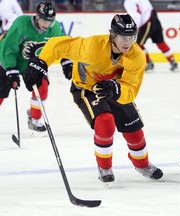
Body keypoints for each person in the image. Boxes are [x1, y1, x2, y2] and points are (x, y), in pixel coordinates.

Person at [22, 14, 163, 183]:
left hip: (114, 90)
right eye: (123, 37)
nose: (128, 42)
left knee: (134, 128)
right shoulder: (92, 46)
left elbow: (131, 89)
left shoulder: (137, 56)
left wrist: (116, 89)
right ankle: (104, 166)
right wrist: (41, 62)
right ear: (113, 35)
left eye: (131, 37)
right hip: (86, 88)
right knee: (105, 122)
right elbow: (57, 45)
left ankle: (142, 164)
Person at [0, 2, 73, 133]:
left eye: (50, 21)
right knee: (1, 91)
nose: (47, 25)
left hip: (33, 63)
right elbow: (8, 47)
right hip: (7, 59)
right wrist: (11, 69)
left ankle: (34, 119)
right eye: (44, 20)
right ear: (37, 16)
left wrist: (66, 61)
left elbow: (63, 44)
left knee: (42, 88)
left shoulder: (54, 28)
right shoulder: (22, 24)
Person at [123, 0, 178, 72]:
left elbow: (136, 16)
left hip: (147, 21)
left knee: (138, 45)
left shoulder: (128, 2)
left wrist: (133, 29)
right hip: (154, 17)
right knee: (160, 42)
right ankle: (172, 61)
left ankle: (148, 62)